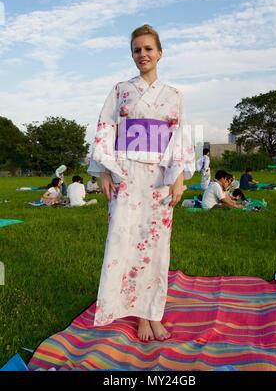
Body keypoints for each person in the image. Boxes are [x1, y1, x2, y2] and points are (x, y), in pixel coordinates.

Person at [88, 24, 195, 342]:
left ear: (160, 53)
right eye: (137, 50)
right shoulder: (121, 90)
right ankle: (132, 312)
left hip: (159, 179)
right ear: (132, 54)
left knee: (157, 248)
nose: (142, 54)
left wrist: (178, 178)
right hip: (126, 175)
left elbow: (180, 136)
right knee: (124, 243)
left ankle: (152, 314)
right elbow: (106, 126)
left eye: (148, 49)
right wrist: (104, 171)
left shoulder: (174, 95)